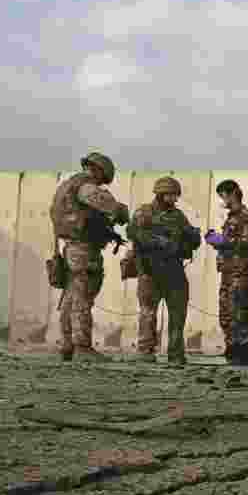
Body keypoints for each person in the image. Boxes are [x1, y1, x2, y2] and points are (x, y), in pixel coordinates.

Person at [49, 152, 130, 362]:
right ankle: (82, 347)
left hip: (71, 247)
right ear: (98, 170)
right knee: (82, 297)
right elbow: (100, 200)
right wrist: (119, 210)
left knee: (71, 298)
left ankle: (68, 344)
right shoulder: (85, 185)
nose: (101, 183)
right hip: (83, 250)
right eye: (102, 179)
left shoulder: (67, 186)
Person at [126, 177, 201, 367]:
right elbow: (134, 233)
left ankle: (175, 354)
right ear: (161, 194)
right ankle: (145, 352)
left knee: (178, 314)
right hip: (150, 272)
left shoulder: (178, 216)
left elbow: (192, 238)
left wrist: (192, 237)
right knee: (148, 313)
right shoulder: (144, 212)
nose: (175, 199)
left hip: (174, 272)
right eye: (172, 195)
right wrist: (159, 242)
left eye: (176, 195)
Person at [205, 179, 248, 366]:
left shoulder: (247, 217)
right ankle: (231, 351)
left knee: (238, 313)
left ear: (232, 193)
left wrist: (223, 241)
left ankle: (241, 354)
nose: (222, 200)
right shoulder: (231, 218)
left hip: (240, 272)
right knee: (226, 314)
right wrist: (216, 241)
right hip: (228, 272)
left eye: (223, 195)